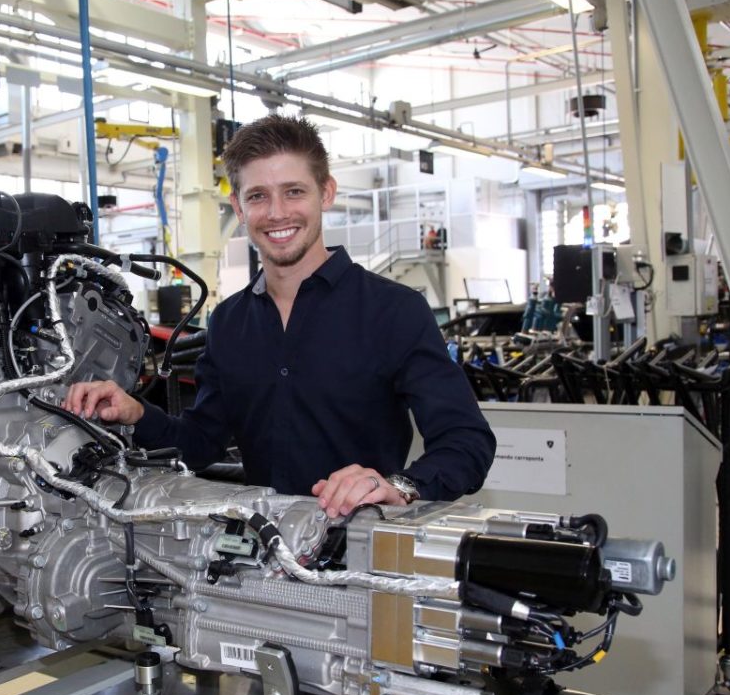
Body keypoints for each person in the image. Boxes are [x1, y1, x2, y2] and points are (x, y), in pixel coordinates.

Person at [65, 114, 495, 517]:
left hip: (358, 556)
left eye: (294, 191)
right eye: (258, 196)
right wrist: (137, 414)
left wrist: (398, 485)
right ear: (238, 206)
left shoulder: (394, 311)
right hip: (261, 557)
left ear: (325, 192)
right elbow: (200, 443)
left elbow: (467, 441)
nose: (276, 213)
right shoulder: (230, 323)